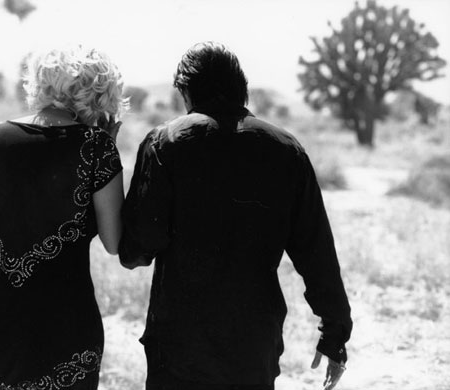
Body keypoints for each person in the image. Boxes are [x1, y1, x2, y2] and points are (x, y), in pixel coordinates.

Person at [119, 42, 352, 390]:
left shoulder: (165, 143)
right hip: (252, 344)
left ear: (186, 91)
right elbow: (315, 249)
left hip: (180, 348)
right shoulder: (287, 150)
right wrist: (335, 332)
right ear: (241, 89)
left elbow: (138, 250)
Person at [0, 46, 126, 390]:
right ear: (97, 93)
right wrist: (107, 153)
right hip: (67, 319)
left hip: (1, 313)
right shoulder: (96, 148)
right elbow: (114, 242)